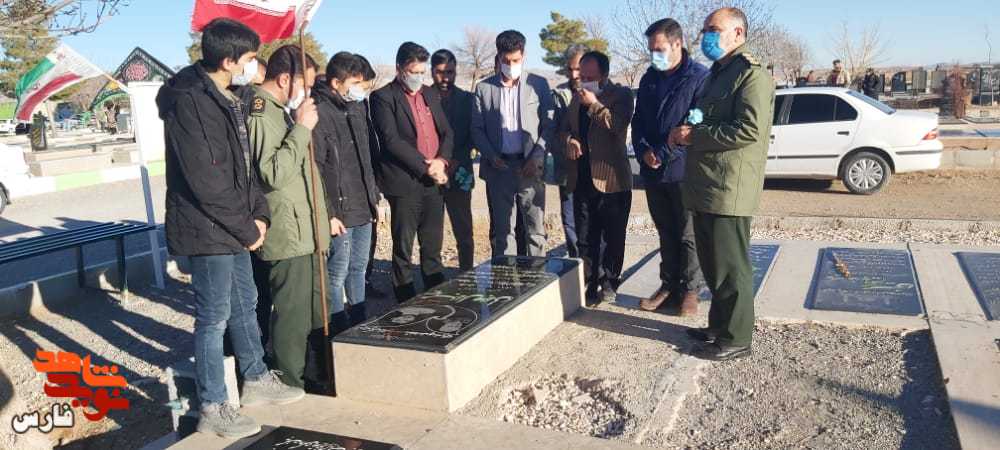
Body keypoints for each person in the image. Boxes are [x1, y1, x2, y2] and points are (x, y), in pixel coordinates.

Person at [156, 18, 304, 439]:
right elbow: (207, 179)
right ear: (228, 60)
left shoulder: (229, 97)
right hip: (206, 228)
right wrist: (246, 227)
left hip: (235, 225)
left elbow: (245, 167)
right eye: (250, 58)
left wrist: (259, 215)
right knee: (213, 317)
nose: (254, 66)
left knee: (245, 302)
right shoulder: (190, 102)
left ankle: (255, 377)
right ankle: (213, 405)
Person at [668, 7, 774, 361]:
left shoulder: (751, 75)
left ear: (738, 33)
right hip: (706, 184)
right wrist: (686, 126)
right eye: (705, 30)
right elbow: (702, 114)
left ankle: (737, 337)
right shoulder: (717, 74)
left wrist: (694, 135)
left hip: (729, 187)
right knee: (713, 265)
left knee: (731, 267)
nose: (706, 36)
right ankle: (718, 327)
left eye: (713, 29)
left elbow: (749, 129)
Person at [246, 45, 330, 394]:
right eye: (305, 85)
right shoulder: (260, 113)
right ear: (285, 79)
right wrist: (302, 129)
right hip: (288, 231)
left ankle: (313, 375)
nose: (308, 94)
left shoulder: (281, 112)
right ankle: (289, 382)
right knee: (292, 316)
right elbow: (273, 173)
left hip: (307, 230)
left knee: (314, 311)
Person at [632, 18, 709, 316]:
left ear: (677, 44)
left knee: (688, 233)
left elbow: (695, 122)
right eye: (651, 50)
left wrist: (664, 152)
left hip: (684, 170)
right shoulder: (649, 79)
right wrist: (643, 151)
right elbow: (638, 120)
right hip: (653, 170)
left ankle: (690, 289)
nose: (655, 55)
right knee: (665, 230)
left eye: (660, 49)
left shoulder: (699, 78)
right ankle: (669, 285)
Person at [371, 42, 453, 302]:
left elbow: (446, 132)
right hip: (405, 182)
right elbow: (391, 141)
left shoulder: (429, 94)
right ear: (399, 69)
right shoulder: (383, 97)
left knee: (432, 245)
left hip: (434, 181)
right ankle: (405, 300)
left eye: (421, 72)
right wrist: (426, 167)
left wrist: (442, 161)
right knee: (403, 248)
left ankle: (436, 295)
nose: (418, 77)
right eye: (413, 72)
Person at [313, 52, 380, 334]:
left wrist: (373, 195)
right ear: (336, 82)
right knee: (336, 272)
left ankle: (360, 323)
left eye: (363, 84)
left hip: (363, 204)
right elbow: (316, 168)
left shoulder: (356, 107)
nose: (360, 89)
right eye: (355, 83)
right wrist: (328, 213)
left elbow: (366, 156)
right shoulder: (318, 112)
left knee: (359, 268)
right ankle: (338, 329)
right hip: (338, 211)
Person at [471, 30, 555, 258]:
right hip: (499, 168)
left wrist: (537, 156)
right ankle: (507, 277)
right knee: (503, 233)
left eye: (515, 60)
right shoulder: (483, 88)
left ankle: (536, 275)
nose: (511, 65)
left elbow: (549, 125)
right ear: (498, 57)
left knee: (535, 230)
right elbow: (476, 129)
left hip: (530, 167)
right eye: (506, 61)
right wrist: (491, 155)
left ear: (523, 56)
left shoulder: (538, 85)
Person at [560, 51, 634, 305]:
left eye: (591, 77)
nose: (585, 81)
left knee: (613, 236)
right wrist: (569, 141)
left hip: (611, 179)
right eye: (583, 76)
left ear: (604, 75)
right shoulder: (576, 97)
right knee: (585, 236)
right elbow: (564, 129)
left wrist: (593, 104)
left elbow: (617, 125)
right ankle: (590, 281)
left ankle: (610, 281)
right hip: (581, 178)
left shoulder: (621, 95)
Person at [429, 49, 476, 271]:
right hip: (431, 173)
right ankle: (434, 278)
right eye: (440, 72)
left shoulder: (468, 100)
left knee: (464, 230)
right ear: (431, 72)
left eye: (450, 72)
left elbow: (474, 134)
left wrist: (455, 159)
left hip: (460, 173)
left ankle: (467, 273)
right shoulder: (423, 98)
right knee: (431, 232)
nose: (445, 78)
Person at [549, 44, 588, 259]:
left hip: (594, 170)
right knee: (570, 219)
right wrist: (568, 141)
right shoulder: (558, 95)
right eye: (570, 69)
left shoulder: (603, 92)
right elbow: (552, 131)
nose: (574, 75)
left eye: (578, 69)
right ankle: (577, 262)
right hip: (567, 170)